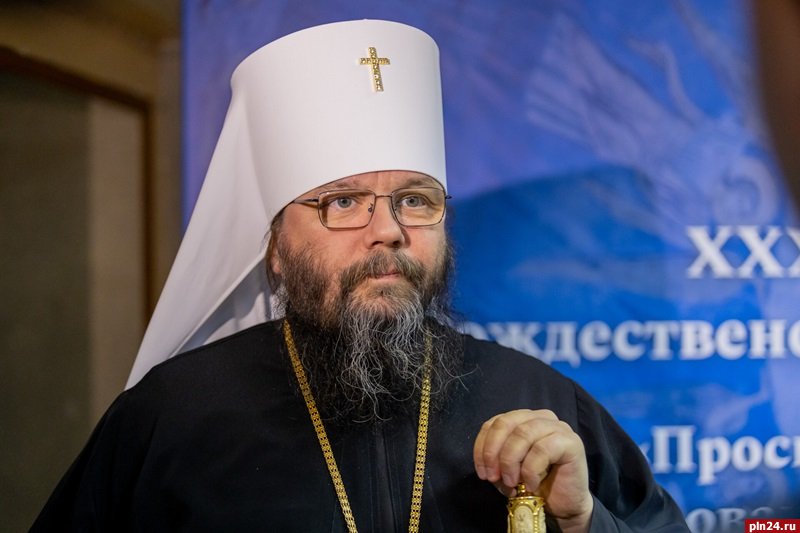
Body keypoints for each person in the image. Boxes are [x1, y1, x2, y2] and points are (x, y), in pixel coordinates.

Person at [32, 20, 689, 532]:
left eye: (416, 199)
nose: (389, 230)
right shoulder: (172, 418)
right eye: (343, 201)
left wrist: (583, 519)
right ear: (275, 247)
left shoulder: (533, 397)